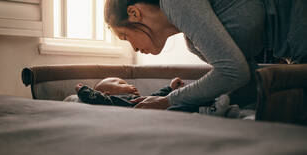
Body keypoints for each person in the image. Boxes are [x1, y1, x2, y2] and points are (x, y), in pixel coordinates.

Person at [104, 0, 307, 110]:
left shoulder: (175, 3)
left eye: (125, 36)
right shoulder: (194, 45)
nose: (133, 48)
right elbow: (244, 78)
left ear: (134, 13)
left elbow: (234, 72)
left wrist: (169, 101)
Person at [76, 77, 248, 118]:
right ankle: (209, 110)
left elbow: (157, 97)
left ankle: (214, 106)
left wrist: (170, 88)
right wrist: (82, 89)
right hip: (145, 115)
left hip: (156, 110)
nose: (128, 84)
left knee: (175, 104)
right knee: (175, 111)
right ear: (107, 94)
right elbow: (94, 97)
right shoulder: (113, 102)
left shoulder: (140, 98)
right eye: (121, 83)